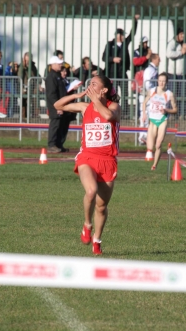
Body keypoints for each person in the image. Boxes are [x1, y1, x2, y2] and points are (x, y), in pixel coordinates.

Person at [54, 75, 120, 255]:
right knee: (90, 191)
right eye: (89, 84)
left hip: (107, 161)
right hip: (87, 157)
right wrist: (78, 95)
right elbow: (58, 106)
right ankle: (87, 224)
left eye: (94, 84)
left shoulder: (113, 107)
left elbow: (107, 116)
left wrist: (96, 101)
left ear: (104, 90)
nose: (90, 86)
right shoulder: (85, 107)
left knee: (101, 206)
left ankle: (97, 240)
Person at [102, 14, 139, 118]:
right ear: (118, 35)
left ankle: (125, 112)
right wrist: (112, 59)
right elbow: (104, 57)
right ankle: (110, 109)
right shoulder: (110, 44)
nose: (123, 37)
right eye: (121, 35)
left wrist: (135, 21)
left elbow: (132, 34)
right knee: (111, 93)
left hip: (122, 73)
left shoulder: (125, 43)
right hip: (111, 74)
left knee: (124, 93)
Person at [142, 72, 177, 170]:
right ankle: (148, 144)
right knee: (150, 146)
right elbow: (144, 103)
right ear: (157, 81)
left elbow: (175, 109)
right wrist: (144, 114)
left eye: (163, 81)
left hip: (162, 120)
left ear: (167, 82)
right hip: (152, 120)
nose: (161, 83)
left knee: (158, 144)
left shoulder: (170, 94)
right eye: (160, 81)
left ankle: (154, 165)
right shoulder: (152, 91)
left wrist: (166, 110)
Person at [45, 55, 77, 153]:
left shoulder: (57, 76)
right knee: (55, 125)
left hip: (62, 105)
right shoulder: (51, 77)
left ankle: (59, 144)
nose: (60, 65)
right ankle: (52, 145)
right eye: (58, 63)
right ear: (53, 64)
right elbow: (52, 94)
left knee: (62, 125)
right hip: (57, 106)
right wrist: (57, 106)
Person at [166, 27, 186, 120]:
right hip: (173, 73)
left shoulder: (185, 44)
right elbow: (169, 54)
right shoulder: (172, 43)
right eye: (181, 34)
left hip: (183, 73)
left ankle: (183, 113)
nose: (183, 36)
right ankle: (171, 112)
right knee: (172, 93)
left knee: (184, 93)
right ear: (177, 35)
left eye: (183, 34)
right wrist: (181, 52)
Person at [133, 36, 152, 144]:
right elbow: (136, 62)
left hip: (146, 81)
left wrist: (149, 55)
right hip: (140, 80)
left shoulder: (148, 50)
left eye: (146, 42)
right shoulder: (137, 51)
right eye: (144, 43)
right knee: (142, 109)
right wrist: (146, 57)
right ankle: (141, 136)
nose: (145, 44)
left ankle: (145, 136)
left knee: (148, 110)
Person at [18, 52, 43, 118]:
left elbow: (38, 76)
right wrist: (23, 66)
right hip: (24, 86)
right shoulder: (21, 66)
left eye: (30, 58)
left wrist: (39, 84)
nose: (29, 60)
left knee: (36, 94)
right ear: (24, 58)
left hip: (33, 86)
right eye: (27, 58)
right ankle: (24, 117)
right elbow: (19, 77)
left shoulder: (33, 66)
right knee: (24, 97)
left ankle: (36, 114)